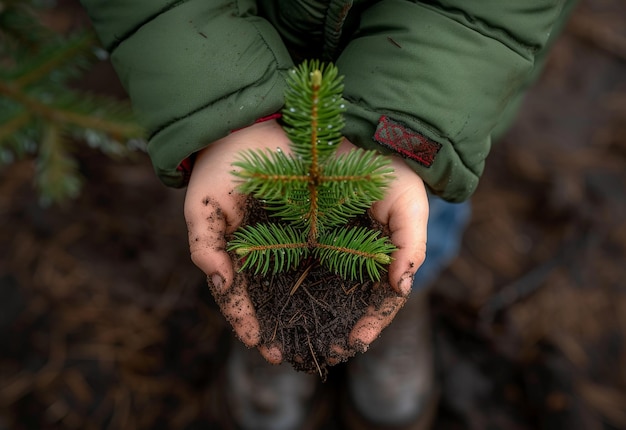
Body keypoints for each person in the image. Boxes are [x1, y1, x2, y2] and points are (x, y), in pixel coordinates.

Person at [79, 1, 579, 428]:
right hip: (236, 54)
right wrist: (220, 116)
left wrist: (414, 126)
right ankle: (266, 337)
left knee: (415, 217)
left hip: (441, 79)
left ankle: (409, 292)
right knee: (228, 212)